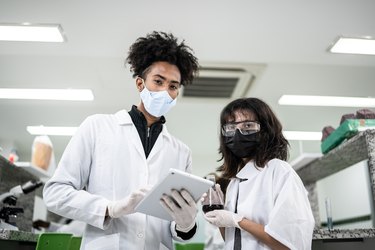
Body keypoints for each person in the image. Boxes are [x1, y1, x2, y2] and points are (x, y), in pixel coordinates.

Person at [43, 31, 200, 250]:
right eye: (158, 81)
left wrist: (186, 225)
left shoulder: (181, 152)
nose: (166, 91)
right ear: (140, 83)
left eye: (173, 86)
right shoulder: (97, 127)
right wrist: (111, 208)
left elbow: (172, 228)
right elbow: (55, 193)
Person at [203, 97, 315, 250]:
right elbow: (233, 240)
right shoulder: (235, 183)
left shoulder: (278, 171)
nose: (238, 133)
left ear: (266, 131)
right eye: (230, 127)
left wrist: (238, 220)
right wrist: (219, 215)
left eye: (248, 125)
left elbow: (289, 244)